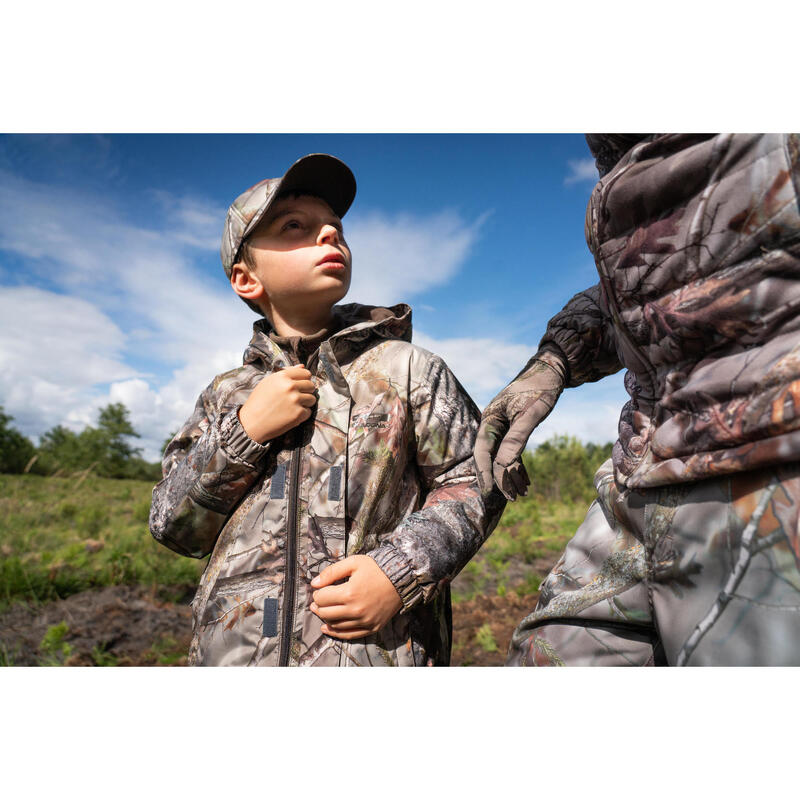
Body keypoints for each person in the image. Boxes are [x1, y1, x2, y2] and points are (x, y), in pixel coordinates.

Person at [150, 153, 504, 666]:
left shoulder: (407, 370)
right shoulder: (226, 395)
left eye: (336, 227)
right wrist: (243, 432)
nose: (329, 236)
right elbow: (173, 526)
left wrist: (399, 570)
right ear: (246, 278)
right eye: (295, 226)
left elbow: (477, 478)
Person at [475, 134, 800, 666]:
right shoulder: (620, 166)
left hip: (765, 471)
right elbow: (646, 292)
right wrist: (553, 361)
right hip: (636, 477)